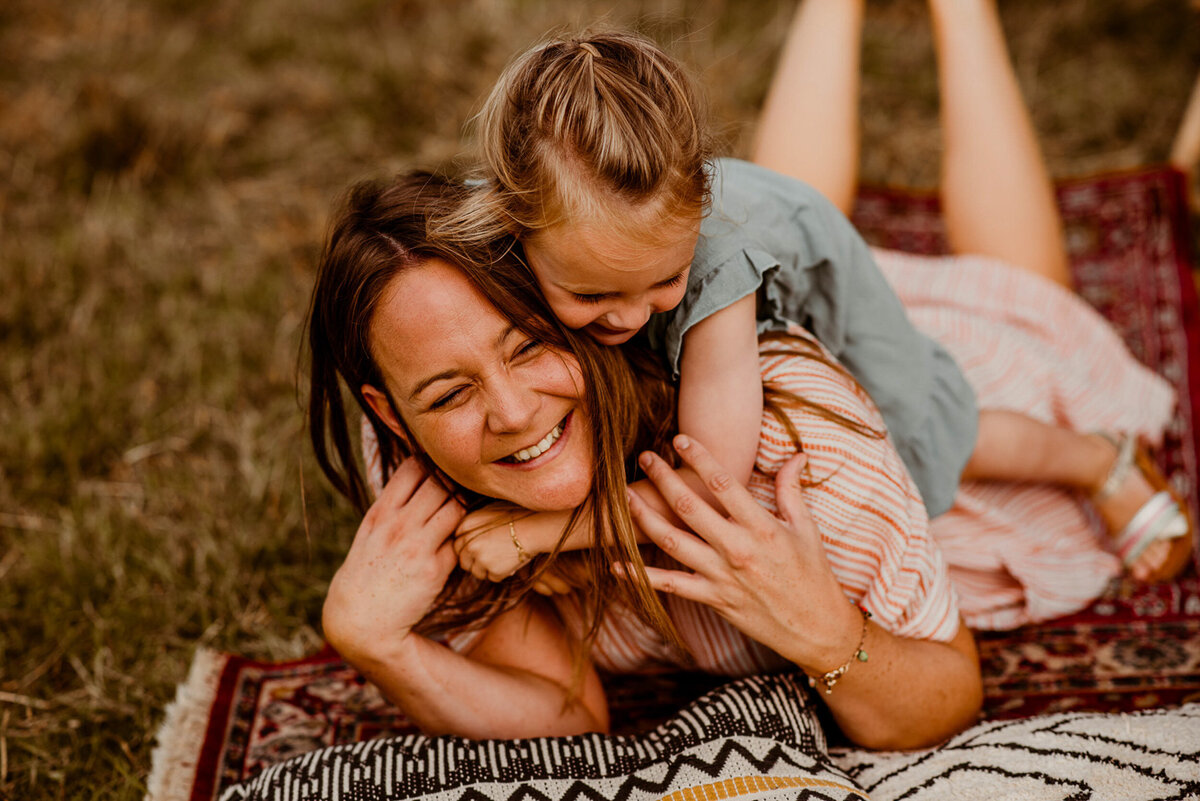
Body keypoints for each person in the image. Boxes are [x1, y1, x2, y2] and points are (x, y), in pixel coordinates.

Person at [441, 0, 1193, 587]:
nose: (636, 315)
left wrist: (541, 531)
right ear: (510, 216)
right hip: (740, 235)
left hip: (813, 280)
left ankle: (1097, 458)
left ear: (700, 201)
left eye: (663, 281)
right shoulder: (503, 219)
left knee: (934, 428)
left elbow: (716, 483)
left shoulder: (717, 268)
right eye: (594, 294)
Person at [308, 171, 982, 750]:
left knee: (1013, 299)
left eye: (527, 346)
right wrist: (377, 644)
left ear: (575, 311)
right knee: (765, 194)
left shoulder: (792, 443)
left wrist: (828, 633)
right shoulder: (427, 464)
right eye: (451, 392)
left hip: (961, 436)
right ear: (392, 411)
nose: (511, 413)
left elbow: (949, 695)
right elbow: (565, 714)